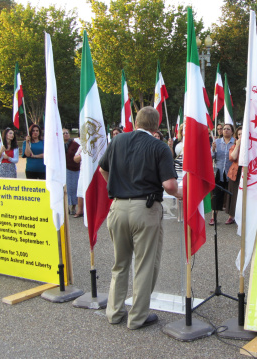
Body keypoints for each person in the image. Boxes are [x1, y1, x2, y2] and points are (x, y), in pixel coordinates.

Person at [99, 106, 181, 330]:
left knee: (120, 264)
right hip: (145, 209)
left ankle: (114, 313)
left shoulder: (117, 141)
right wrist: (187, 196)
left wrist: (115, 185)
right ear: (156, 125)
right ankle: (137, 317)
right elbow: (170, 186)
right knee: (144, 265)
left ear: (136, 122)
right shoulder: (160, 147)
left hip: (117, 207)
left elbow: (102, 169)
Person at [210, 123, 235, 225]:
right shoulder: (217, 142)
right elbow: (211, 157)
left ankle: (231, 216)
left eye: (228, 129)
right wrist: (212, 149)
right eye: (224, 129)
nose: (225, 130)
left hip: (231, 172)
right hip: (219, 173)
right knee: (216, 194)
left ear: (232, 131)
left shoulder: (235, 142)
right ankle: (213, 216)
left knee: (230, 195)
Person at [225, 126, 242, 223]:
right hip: (235, 172)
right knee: (233, 194)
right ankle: (231, 216)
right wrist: (238, 146)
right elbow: (232, 158)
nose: (240, 136)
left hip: (245, 172)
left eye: (242, 134)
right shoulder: (233, 146)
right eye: (239, 134)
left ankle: (241, 215)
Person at [63, 128, 80, 215]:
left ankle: (73, 206)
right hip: (63, 169)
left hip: (73, 169)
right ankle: (66, 206)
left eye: (67, 133)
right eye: (63, 133)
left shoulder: (74, 144)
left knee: (73, 188)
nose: (65, 134)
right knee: (65, 189)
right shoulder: (59, 145)